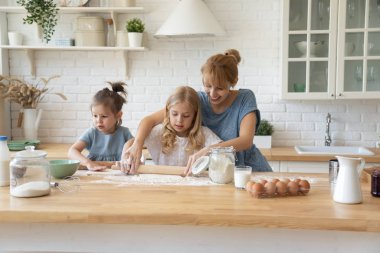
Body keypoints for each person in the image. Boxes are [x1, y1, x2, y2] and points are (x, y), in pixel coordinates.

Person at [124, 49, 272, 174]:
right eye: (208, 86)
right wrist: (137, 144)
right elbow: (149, 120)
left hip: (249, 169)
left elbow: (246, 141)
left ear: (233, 82)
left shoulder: (245, 98)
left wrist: (209, 150)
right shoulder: (198, 99)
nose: (212, 93)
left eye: (219, 88)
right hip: (220, 173)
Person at [119, 86, 221, 173]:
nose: (179, 120)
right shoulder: (159, 132)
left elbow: (225, 151)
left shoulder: (204, 134)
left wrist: (210, 150)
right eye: (175, 114)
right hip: (163, 188)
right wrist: (126, 159)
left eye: (186, 116)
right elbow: (131, 143)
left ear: (194, 115)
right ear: (168, 112)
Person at [68, 81, 134, 171]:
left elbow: (134, 146)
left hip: (117, 175)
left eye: (104, 116)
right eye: (95, 116)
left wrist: (126, 158)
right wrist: (88, 163)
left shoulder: (124, 133)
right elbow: (72, 151)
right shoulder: (91, 133)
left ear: (118, 115)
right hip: (94, 173)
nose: (98, 120)